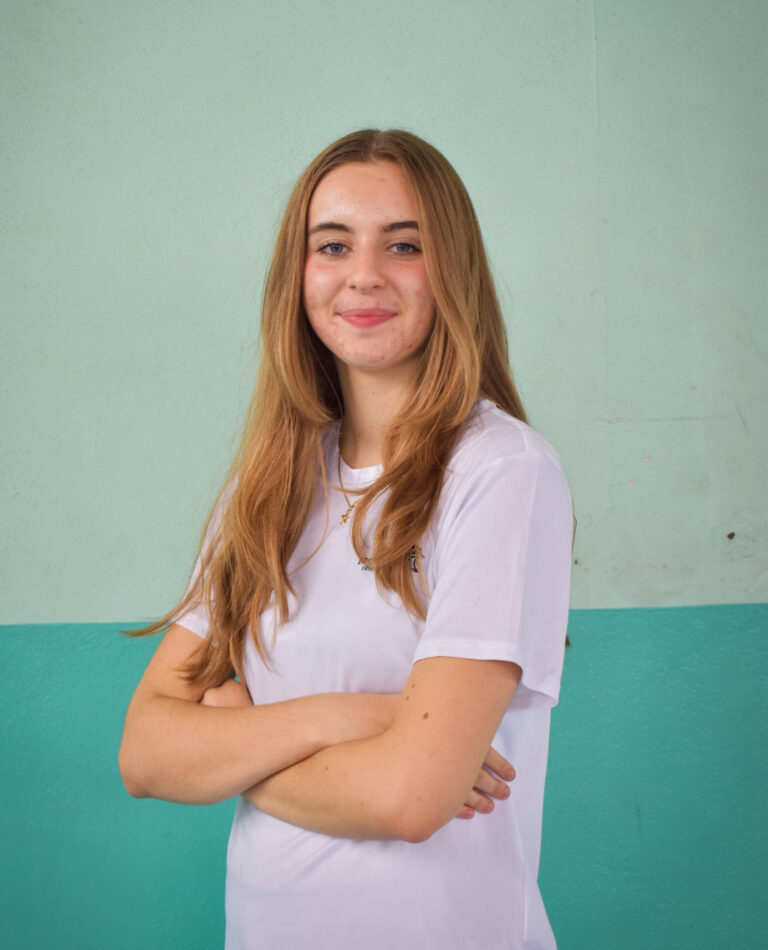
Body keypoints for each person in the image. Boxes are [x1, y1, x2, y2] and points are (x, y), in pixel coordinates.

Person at [119, 129, 573, 949]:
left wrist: (236, 748)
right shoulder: (267, 486)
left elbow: (409, 799)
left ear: (454, 270)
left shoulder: (503, 471)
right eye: (332, 245)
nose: (364, 274)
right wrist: (363, 717)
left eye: (404, 244)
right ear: (298, 277)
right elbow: (147, 752)